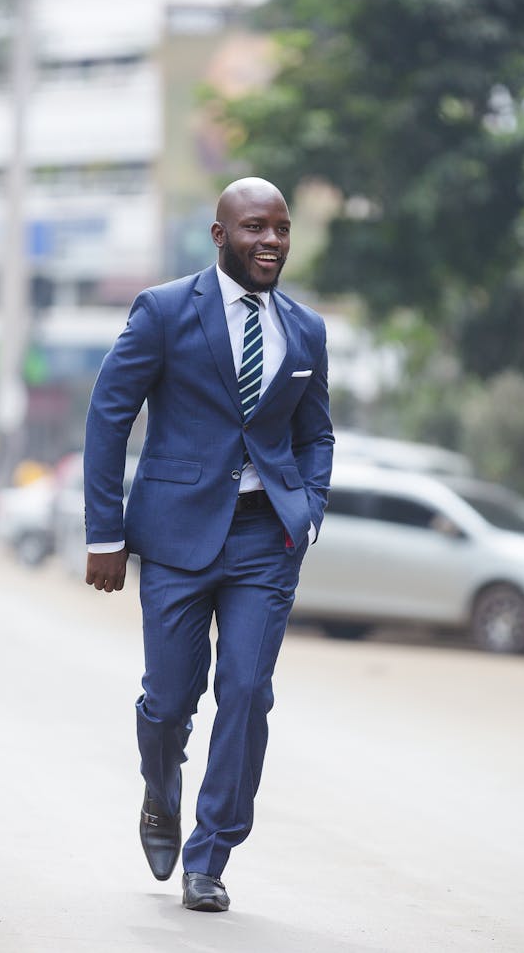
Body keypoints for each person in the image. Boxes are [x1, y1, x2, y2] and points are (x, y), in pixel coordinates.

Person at [83, 176, 333, 912]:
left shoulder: (306, 329)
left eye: (282, 228)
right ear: (220, 235)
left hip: (266, 538)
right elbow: (108, 415)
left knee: (248, 693)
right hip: (175, 535)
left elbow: (315, 433)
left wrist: (308, 511)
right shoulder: (164, 312)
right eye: (256, 227)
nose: (272, 241)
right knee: (168, 700)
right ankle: (161, 790)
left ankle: (210, 855)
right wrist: (105, 532)